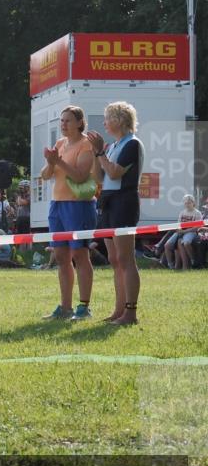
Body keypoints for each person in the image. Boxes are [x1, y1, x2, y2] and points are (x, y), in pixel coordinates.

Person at [86, 101, 145, 325]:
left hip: (124, 202)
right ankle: (119, 310)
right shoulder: (112, 146)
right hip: (108, 202)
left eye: (107, 118)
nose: (104, 123)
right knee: (114, 259)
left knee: (125, 258)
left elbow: (115, 172)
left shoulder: (132, 144)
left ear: (119, 120)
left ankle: (130, 312)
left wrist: (101, 152)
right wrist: (96, 153)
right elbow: (99, 177)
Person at [41, 105, 97, 321]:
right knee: (62, 256)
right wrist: (50, 163)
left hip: (78, 206)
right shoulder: (60, 144)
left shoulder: (86, 145)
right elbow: (46, 176)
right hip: (57, 205)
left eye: (68, 121)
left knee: (80, 255)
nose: (63, 124)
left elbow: (81, 176)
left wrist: (59, 161)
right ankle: (65, 307)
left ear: (79, 123)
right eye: (61, 121)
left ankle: (84, 307)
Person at [164, 195, 203, 270]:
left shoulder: (197, 213)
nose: (187, 204)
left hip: (191, 232)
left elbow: (197, 227)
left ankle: (193, 259)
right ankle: (170, 265)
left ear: (193, 203)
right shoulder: (182, 212)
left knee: (186, 243)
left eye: (189, 203)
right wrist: (179, 229)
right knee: (167, 245)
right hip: (181, 231)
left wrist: (185, 231)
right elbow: (178, 223)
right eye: (185, 203)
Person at [15, 180, 33, 254]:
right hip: (20, 217)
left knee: (27, 235)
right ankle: (22, 252)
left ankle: (28, 252)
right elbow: (18, 203)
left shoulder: (29, 195)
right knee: (20, 235)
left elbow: (22, 202)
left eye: (23, 187)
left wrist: (19, 196)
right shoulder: (21, 196)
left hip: (27, 217)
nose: (21, 189)